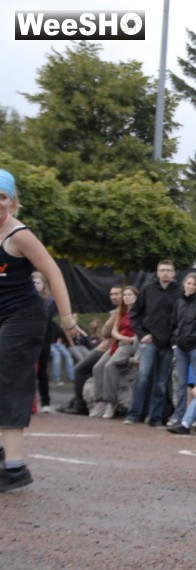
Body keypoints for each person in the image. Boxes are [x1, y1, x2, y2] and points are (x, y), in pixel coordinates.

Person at [0, 168, 85, 492]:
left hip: (23, 317)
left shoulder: (19, 235)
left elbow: (54, 273)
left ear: (13, 201)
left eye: (2, 197)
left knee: (10, 380)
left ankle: (15, 467)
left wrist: (66, 318)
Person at [124, 260, 180, 427]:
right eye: (162, 270)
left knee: (161, 383)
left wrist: (176, 338)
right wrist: (142, 335)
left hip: (169, 344)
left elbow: (183, 318)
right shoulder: (148, 289)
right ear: (157, 272)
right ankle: (133, 414)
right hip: (150, 341)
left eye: (168, 270)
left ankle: (155, 418)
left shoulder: (179, 291)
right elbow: (134, 314)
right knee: (142, 378)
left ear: (173, 273)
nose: (165, 273)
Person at [59, 285, 123, 415]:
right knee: (86, 370)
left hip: (107, 348)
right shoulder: (116, 311)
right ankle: (76, 401)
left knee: (80, 369)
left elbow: (106, 332)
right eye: (111, 294)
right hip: (103, 346)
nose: (113, 297)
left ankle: (80, 405)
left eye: (117, 294)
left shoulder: (119, 312)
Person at [167, 272, 196, 428]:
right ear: (184, 284)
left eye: (194, 284)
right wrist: (174, 341)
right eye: (189, 283)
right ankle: (179, 414)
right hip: (180, 347)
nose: (191, 286)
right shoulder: (179, 301)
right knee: (181, 384)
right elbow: (173, 322)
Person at [92, 285, 139, 419]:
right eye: (125, 295)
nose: (127, 297)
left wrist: (130, 339)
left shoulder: (140, 312)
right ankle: (99, 401)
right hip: (119, 342)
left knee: (110, 366)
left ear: (136, 297)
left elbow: (141, 330)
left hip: (131, 343)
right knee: (98, 367)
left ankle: (110, 402)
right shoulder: (121, 311)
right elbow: (113, 331)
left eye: (130, 295)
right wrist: (121, 338)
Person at [31, 271, 57, 413]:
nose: (35, 285)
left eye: (38, 283)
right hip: (27, 339)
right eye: (33, 283)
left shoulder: (49, 301)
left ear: (44, 285)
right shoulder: (25, 299)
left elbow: (46, 317)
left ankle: (46, 402)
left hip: (43, 340)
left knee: (42, 371)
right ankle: (29, 403)